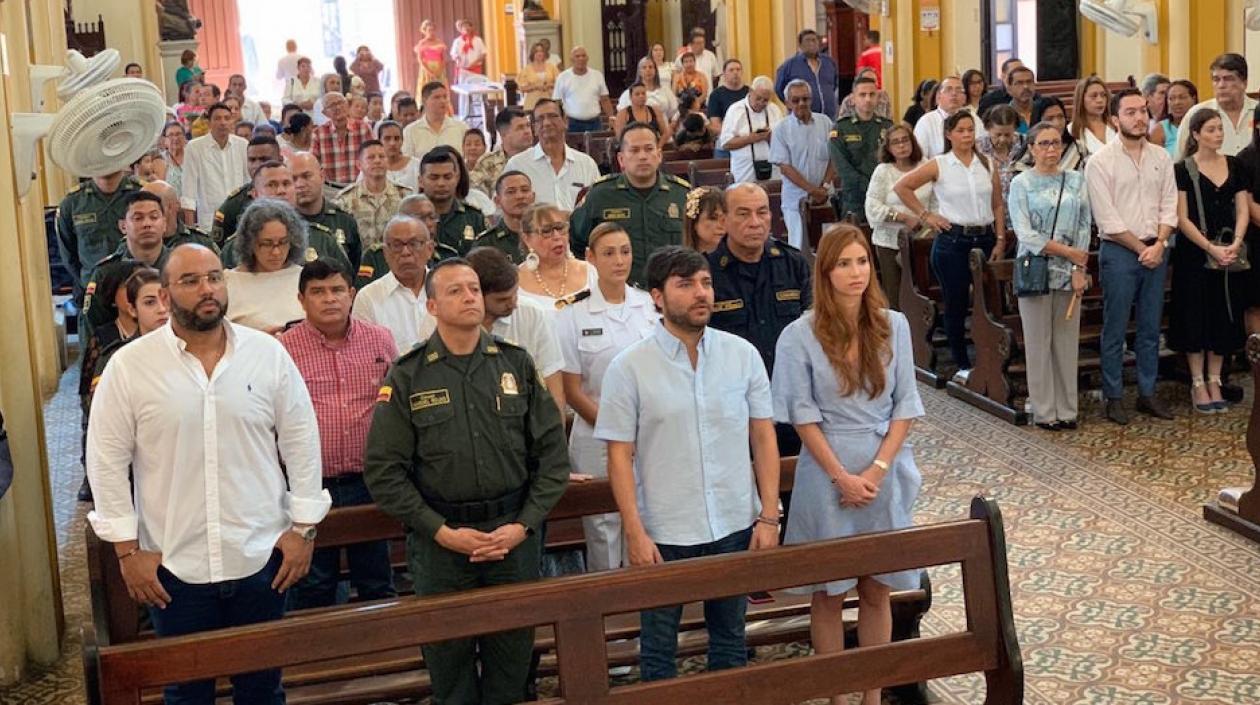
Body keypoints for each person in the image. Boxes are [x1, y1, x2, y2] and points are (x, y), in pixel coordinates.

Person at [87, 243, 330, 705]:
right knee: (187, 693)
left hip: (261, 558)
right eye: (191, 281)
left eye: (215, 278)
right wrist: (126, 552)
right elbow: (106, 460)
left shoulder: (267, 354)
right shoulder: (131, 367)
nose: (207, 290)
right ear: (165, 291)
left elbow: (300, 441)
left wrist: (304, 530)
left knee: (261, 689)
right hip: (173, 563)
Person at [364, 256, 569, 705]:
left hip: (512, 537)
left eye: (474, 288)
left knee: (512, 663)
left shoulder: (515, 364)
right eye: (455, 290)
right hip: (442, 544)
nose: (470, 296)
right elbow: (383, 471)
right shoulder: (409, 375)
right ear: (432, 307)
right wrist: (441, 532)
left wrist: (523, 526)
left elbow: (552, 459)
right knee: (449, 664)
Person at [595, 246, 780, 682]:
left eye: (706, 283)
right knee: (659, 648)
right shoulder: (629, 368)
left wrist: (769, 516)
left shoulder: (742, 354)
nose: (701, 293)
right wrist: (635, 533)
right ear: (656, 296)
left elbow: (763, 435)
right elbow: (619, 456)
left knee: (731, 639)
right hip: (665, 530)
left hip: (734, 522)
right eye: (686, 285)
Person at [770, 225, 924, 705]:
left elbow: (906, 405)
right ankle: (837, 694)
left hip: (883, 468)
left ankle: (872, 694)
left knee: (877, 588)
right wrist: (841, 476)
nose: (855, 272)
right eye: (843, 264)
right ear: (825, 272)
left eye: (861, 262)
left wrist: (877, 471)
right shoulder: (799, 335)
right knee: (830, 591)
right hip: (827, 472)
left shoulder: (893, 324)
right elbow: (801, 415)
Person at [281, 259, 399, 609]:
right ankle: (318, 661)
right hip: (310, 485)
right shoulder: (284, 349)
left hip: (370, 480)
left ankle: (386, 657)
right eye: (317, 292)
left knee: (377, 578)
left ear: (351, 294)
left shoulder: (379, 339)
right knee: (314, 584)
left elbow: (396, 404)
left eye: (336, 290)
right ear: (301, 300)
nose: (329, 299)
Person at [555, 222, 657, 570]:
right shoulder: (571, 314)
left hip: (648, 434)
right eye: (609, 253)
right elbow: (571, 389)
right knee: (604, 527)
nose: (619, 260)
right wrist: (617, 429)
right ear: (590, 258)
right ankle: (611, 609)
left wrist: (639, 430)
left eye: (625, 251)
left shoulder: (647, 305)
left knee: (645, 517)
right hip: (596, 434)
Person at [1084, 88, 1178, 424]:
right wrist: (1143, 249)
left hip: (1157, 247)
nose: (1140, 118)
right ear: (1114, 119)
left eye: (1143, 111)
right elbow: (1107, 218)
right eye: (1131, 112)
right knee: (1116, 325)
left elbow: (1170, 207)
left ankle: (1147, 392)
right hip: (1121, 251)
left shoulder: (1161, 157)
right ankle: (1114, 395)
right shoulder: (1099, 162)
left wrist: (1160, 244)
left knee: (1151, 326)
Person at [894, 109, 1007, 373]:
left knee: (989, 302)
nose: (967, 135)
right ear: (949, 134)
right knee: (956, 302)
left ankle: (990, 357)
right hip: (953, 241)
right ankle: (962, 362)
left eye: (970, 130)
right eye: (961, 130)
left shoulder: (988, 163)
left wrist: (1000, 239)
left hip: (985, 236)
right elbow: (902, 187)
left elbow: (998, 204)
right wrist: (926, 215)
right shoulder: (940, 163)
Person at [707, 182, 812, 454]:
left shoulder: (793, 264)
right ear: (723, 220)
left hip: (789, 403)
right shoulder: (705, 273)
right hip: (732, 407)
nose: (755, 222)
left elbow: (815, 333)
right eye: (743, 214)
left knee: (795, 490)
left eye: (762, 212)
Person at [1009, 121, 1093, 430]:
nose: (1051, 150)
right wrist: (1068, 253)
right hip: (1036, 270)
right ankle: (1045, 411)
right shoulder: (1022, 183)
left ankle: (1067, 409)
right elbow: (1025, 234)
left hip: (1069, 274)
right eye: (1043, 144)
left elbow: (1084, 226)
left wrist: (1078, 268)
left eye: (1056, 143)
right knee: (1038, 343)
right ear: (1031, 149)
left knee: (1066, 343)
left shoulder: (1075, 180)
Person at [1171, 109, 1250, 413]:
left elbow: (1242, 208)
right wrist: (1209, 247)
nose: (1218, 135)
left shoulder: (1235, 165)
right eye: (1211, 130)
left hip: (1229, 247)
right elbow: (1182, 216)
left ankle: (1215, 378)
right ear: (1196, 135)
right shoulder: (1183, 170)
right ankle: (1197, 382)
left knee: (1222, 315)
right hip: (1196, 253)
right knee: (1195, 315)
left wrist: (1236, 242)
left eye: (1220, 129)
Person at [571, 122, 691, 287]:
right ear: (621, 159)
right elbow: (576, 242)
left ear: (659, 155)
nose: (642, 156)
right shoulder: (600, 195)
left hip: (671, 293)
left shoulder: (682, 195)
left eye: (649, 149)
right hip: (618, 296)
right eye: (634, 150)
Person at [466, 246, 568, 412]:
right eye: (502, 299)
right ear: (476, 295)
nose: (513, 303)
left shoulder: (533, 314)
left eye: (515, 293)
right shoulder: (446, 319)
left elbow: (553, 390)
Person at [352, 214, 443, 351]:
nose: (406, 252)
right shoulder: (368, 298)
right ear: (385, 253)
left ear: (429, 249)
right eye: (396, 245)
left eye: (414, 244)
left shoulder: (447, 289)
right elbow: (364, 355)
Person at [865, 122, 931, 310]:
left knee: (924, 292)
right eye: (895, 143)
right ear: (888, 148)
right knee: (895, 297)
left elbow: (937, 200)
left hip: (922, 239)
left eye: (905, 140)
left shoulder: (925, 166)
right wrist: (901, 217)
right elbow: (872, 207)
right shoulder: (884, 171)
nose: (901, 146)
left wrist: (927, 222)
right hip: (890, 241)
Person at [224, 198, 309, 333]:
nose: (276, 252)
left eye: (283, 242)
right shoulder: (228, 283)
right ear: (250, 243)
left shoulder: (305, 277)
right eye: (267, 243)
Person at [56, 170, 142, 298]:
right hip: (93, 292)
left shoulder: (142, 194)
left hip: (137, 289)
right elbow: (68, 255)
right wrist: (87, 282)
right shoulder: (72, 203)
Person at [771, 79, 835, 250]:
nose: (801, 103)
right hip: (795, 199)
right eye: (796, 100)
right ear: (787, 103)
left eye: (805, 99)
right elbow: (785, 167)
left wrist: (824, 187)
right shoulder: (781, 129)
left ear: (811, 99)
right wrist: (812, 190)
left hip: (825, 197)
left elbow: (834, 157)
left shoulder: (825, 123)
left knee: (828, 246)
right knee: (799, 246)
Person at [505, 99, 600, 211]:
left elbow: (598, 205)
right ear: (534, 128)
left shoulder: (586, 164)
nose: (546, 123)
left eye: (552, 116)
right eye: (540, 119)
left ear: (565, 122)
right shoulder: (518, 165)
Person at [830, 76, 892, 223]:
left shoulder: (887, 127)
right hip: (855, 198)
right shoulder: (841, 128)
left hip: (884, 196)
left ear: (878, 97)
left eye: (872, 94)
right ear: (853, 99)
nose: (868, 99)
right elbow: (842, 167)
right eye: (862, 95)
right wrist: (869, 186)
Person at [335, 140, 414, 250]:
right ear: (359, 164)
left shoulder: (404, 196)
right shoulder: (345, 199)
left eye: (382, 157)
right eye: (371, 157)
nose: (377, 161)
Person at [1177, 54, 1258, 159]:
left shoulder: (1257, 111)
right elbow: (1180, 158)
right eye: (1216, 79)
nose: (1221, 85)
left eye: (1228, 79)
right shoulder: (1197, 113)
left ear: (1244, 83)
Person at [182, 103, 249, 229]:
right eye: (217, 118)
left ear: (232, 122)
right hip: (209, 222)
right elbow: (188, 193)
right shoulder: (194, 148)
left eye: (227, 118)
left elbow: (248, 182)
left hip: (240, 220)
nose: (223, 122)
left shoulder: (243, 145)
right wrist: (190, 232)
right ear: (209, 123)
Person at [290, 152, 362, 268]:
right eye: (293, 179)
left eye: (306, 176)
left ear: (322, 176)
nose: (300, 184)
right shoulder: (285, 225)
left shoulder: (344, 221)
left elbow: (355, 269)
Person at [517, 202, 594, 308]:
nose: (557, 236)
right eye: (546, 231)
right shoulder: (515, 282)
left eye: (561, 228)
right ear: (527, 239)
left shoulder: (591, 272)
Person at [210, 135, 283, 246]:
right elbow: (217, 248)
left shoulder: (296, 194)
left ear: (280, 159)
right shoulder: (234, 205)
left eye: (264, 159)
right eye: (252, 160)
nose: (257, 165)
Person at [421, 147, 486, 255]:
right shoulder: (408, 218)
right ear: (421, 181)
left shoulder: (474, 218)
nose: (441, 183)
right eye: (434, 177)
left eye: (447, 177)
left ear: (456, 178)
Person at [719, 75, 784, 184]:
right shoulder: (735, 110)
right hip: (744, 174)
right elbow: (726, 144)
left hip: (773, 174)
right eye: (758, 98)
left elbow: (785, 142)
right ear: (750, 91)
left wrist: (770, 137)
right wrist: (751, 138)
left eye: (766, 100)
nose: (761, 103)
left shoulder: (774, 110)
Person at [310, 93, 376, 185]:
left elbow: (374, 155)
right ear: (325, 113)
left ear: (347, 105)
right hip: (330, 189)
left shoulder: (363, 128)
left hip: (359, 185)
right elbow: (313, 164)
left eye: (340, 102)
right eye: (332, 105)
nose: (337, 107)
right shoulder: (318, 133)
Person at [976, 104, 1025, 227]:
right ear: (988, 128)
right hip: (988, 217)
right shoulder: (977, 148)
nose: (1002, 139)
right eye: (997, 135)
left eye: (1008, 135)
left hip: (1020, 216)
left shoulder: (1025, 144)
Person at [470, 107, 535, 197]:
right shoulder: (487, 163)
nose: (527, 131)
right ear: (503, 134)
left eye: (528, 126)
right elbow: (477, 196)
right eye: (520, 128)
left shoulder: (540, 158)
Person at [471, 171, 534, 264]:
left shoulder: (548, 236)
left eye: (525, 190)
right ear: (497, 201)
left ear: (533, 197)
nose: (520, 196)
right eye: (511, 192)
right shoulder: (486, 243)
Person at [774, 29, 838, 120]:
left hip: (829, 117)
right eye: (807, 40)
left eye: (814, 40)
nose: (811, 43)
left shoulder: (829, 63)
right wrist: (793, 104)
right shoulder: (789, 66)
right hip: (802, 119)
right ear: (800, 45)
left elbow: (834, 85)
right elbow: (779, 88)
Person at [1013, 96, 1085, 172]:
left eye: (1060, 117)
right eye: (1049, 119)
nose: (1057, 123)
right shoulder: (1028, 154)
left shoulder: (1078, 148)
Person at [142, 179, 217, 252]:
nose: (146, 221)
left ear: (172, 206)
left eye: (153, 208)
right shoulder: (135, 243)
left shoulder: (199, 243)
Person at [553, 46, 613, 133]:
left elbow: (605, 99)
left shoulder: (597, 75)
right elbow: (557, 102)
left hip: (594, 123)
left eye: (583, 56)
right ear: (571, 59)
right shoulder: (563, 77)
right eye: (577, 56)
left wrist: (611, 117)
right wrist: (559, 121)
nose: (581, 58)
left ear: (587, 58)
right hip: (572, 123)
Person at [402, 82, 465, 158]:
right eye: (437, 97)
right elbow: (407, 162)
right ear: (424, 101)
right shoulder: (410, 131)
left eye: (445, 97)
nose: (443, 101)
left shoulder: (461, 128)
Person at [914, 75, 965, 159]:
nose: (954, 94)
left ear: (964, 98)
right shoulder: (926, 122)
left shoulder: (973, 119)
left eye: (959, 90)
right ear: (938, 97)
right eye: (948, 89)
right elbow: (920, 158)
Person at [617, 56, 679, 123]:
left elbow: (675, 110)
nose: (648, 70)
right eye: (644, 67)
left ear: (655, 70)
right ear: (640, 72)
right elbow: (622, 114)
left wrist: (672, 125)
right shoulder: (629, 93)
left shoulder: (665, 90)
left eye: (650, 67)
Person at [613, 83, 672, 149]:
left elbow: (665, 133)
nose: (641, 96)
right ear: (630, 97)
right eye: (637, 94)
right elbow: (620, 137)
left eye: (643, 93)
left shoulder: (655, 110)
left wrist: (657, 147)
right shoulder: (623, 114)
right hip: (632, 149)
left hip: (652, 147)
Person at [1069, 76, 1116, 158]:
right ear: (1081, 99)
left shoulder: (1116, 125)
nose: (1100, 100)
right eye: (1094, 96)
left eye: (1103, 95)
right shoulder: (1072, 130)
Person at [707, 59, 749, 150]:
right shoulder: (716, 95)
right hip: (725, 142)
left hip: (748, 142)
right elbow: (715, 123)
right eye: (731, 70)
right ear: (724, 74)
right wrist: (733, 137)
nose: (735, 73)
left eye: (738, 69)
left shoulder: (750, 93)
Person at [1151, 79, 1198, 156]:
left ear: (1193, 99)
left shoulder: (1205, 125)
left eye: (1182, 97)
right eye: (1171, 98)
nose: (1177, 102)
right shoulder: (1160, 129)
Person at [376, 120, 419, 191]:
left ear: (402, 140)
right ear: (379, 141)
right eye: (387, 138)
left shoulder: (416, 165)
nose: (392, 143)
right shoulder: (371, 167)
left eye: (397, 138)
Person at [683, 186, 726, 253]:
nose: (721, 225)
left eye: (725, 218)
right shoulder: (679, 261)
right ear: (694, 223)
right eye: (713, 218)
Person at [675, 27, 719, 93]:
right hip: (687, 96)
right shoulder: (682, 57)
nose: (701, 45)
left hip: (707, 95)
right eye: (698, 43)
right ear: (691, 44)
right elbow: (676, 76)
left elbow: (715, 77)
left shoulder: (710, 55)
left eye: (703, 43)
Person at [519, 42, 559, 110]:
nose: (539, 53)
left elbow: (560, 82)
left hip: (549, 100)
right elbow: (522, 88)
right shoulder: (527, 69)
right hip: (532, 103)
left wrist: (550, 85)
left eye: (541, 51)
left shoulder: (551, 67)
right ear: (533, 53)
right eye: (537, 51)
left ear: (544, 53)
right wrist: (535, 86)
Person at [414, 19, 448, 96]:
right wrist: (429, 72)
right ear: (425, 31)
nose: (431, 32)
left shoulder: (440, 42)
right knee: (428, 90)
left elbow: (444, 58)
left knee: (440, 88)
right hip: (427, 70)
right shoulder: (422, 43)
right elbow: (420, 59)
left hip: (439, 69)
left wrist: (439, 70)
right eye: (429, 30)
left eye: (433, 30)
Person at [1006, 66, 1036, 133]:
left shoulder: (1043, 112)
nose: (1026, 87)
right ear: (1009, 89)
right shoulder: (1004, 116)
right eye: (1019, 83)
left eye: (1029, 82)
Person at [161, 121, 188, 198]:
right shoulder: (160, 159)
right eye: (171, 135)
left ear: (184, 137)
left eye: (178, 134)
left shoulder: (192, 156)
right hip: (170, 206)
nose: (175, 138)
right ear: (165, 140)